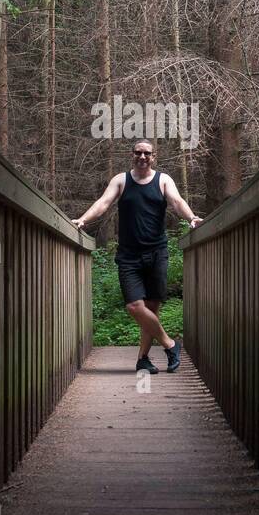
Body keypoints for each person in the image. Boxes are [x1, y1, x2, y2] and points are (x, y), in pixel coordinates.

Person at [73, 140, 202, 373]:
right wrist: (83, 219)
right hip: (129, 255)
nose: (142, 156)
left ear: (154, 156)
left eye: (147, 153)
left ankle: (143, 358)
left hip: (157, 253)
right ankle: (171, 345)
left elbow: (177, 201)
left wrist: (191, 218)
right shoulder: (121, 180)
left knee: (151, 309)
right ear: (132, 154)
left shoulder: (163, 180)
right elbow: (103, 203)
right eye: (138, 152)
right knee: (135, 306)